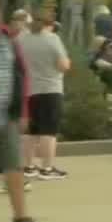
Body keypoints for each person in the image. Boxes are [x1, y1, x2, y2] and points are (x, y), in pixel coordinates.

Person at [0, 20, 48, 222]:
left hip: (5, 118)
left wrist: (23, 112)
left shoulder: (7, 39)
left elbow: (21, 76)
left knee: (14, 168)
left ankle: (21, 219)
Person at [18, 11, 71, 180]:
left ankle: (28, 166)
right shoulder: (52, 39)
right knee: (48, 131)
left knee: (30, 132)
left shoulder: (22, 39)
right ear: (51, 24)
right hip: (50, 89)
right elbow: (63, 65)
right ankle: (47, 169)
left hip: (28, 90)